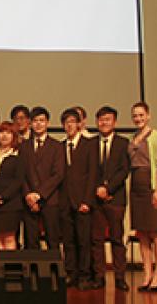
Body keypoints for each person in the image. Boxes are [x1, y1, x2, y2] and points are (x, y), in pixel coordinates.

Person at [88, 106, 131, 291]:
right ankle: (99, 276)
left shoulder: (123, 142)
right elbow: (88, 171)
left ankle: (120, 277)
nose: (104, 123)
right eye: (101, 119)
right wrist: (97, 189)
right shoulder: (90, 143)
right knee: (96, 240)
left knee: (117, 239)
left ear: (115, 122)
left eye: (108, 119)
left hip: (115, 198)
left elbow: (124, 170)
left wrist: (107, 188)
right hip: (95, 198)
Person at [128, 102, 157, 292]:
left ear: (148, 116)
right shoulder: (132, 137)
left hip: (151, 186)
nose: (138, 119)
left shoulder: (156, 136)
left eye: (141, 115)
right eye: (135, 116)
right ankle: (147, 273)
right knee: (142, 232)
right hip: (135, 187)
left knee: (156, 231)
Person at [59, 108, 97, 290]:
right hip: (65, 201)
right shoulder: (60, 146)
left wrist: (87, 201)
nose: (69, 125)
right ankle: (71, 273)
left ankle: (84, 275)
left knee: (83, 240)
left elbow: (92, 175)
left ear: (80, 124)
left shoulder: (89, 145)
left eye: (72, 122)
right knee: (68, 241)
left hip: (82, 200)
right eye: (66, 122)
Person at [22, 107, 64, 253]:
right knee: (31, 241)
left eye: (41, 121)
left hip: (49, 199)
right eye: (35, 121)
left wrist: (38, 195)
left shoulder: (57, 146)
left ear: (47, 123)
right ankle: (32, 275)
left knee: (52, 240)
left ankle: (55, 274)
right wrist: (29, 195)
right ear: (30, 123)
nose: (38, 124)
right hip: (28, 201)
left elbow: (58, 174)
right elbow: (21, 174)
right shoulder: (24, 146)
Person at [0, 122, 25, 250]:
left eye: (8, 133)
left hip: (11, 204)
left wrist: (3, 197)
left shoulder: (18, 155)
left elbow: (19, 180)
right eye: (1, 132)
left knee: (9, 238)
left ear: (14, 136)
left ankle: (9, 268)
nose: (4, 136)